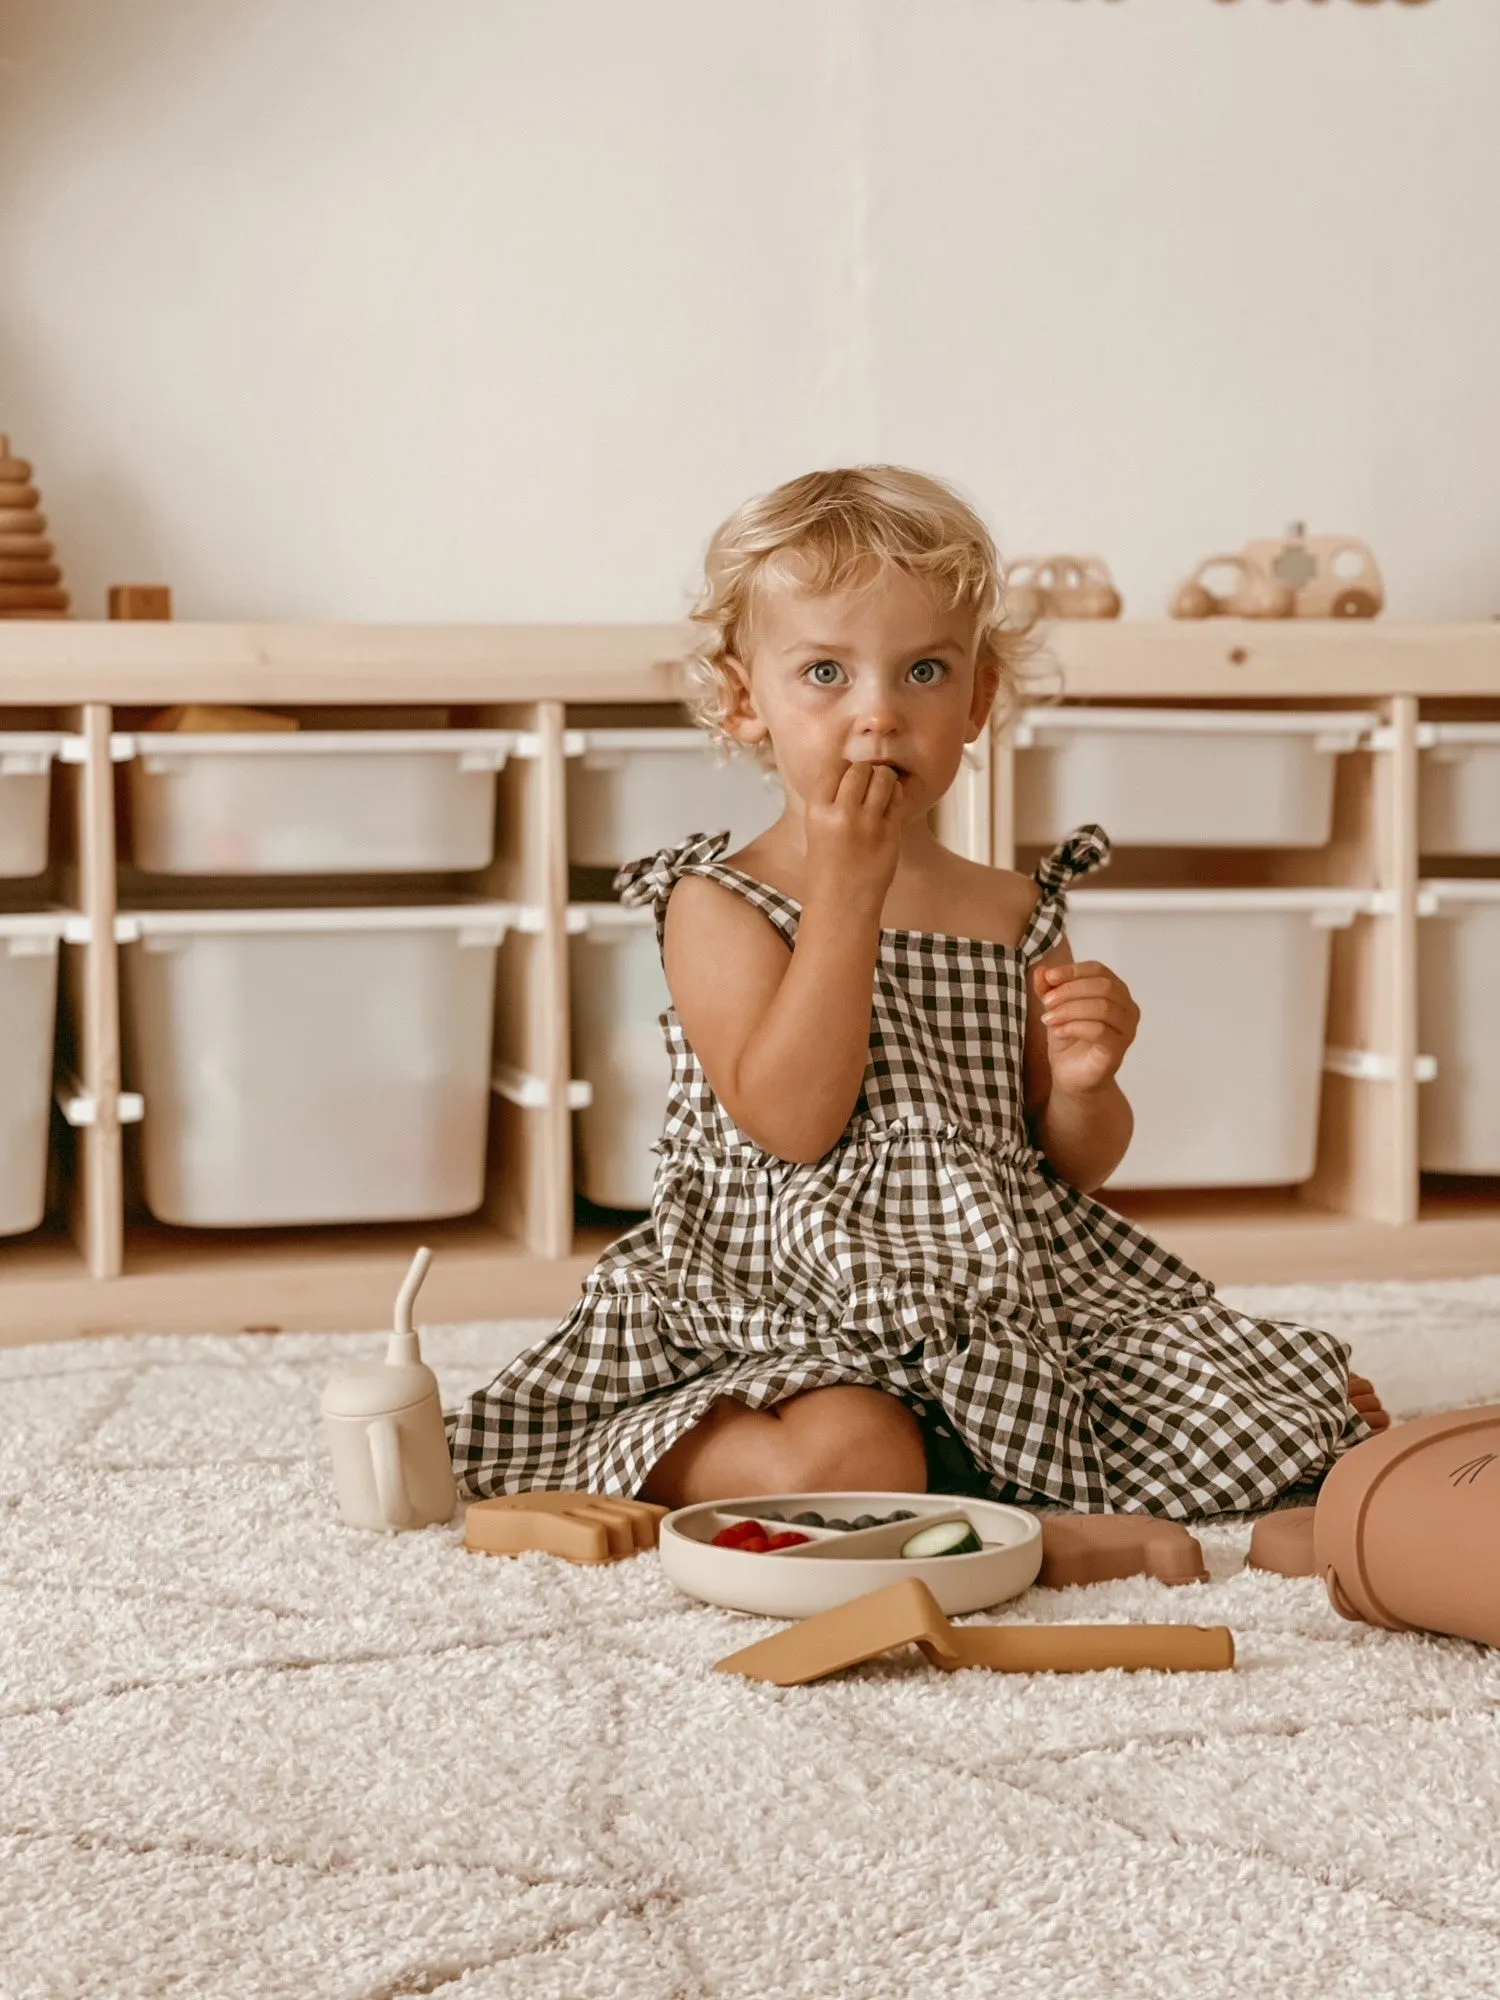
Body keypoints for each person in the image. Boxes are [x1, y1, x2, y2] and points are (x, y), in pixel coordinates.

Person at [447, 465, 1388, 1516]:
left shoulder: (1011, 907)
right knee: (847, 1459)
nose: (880, 715)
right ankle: (648, 1441)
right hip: (791, 1292)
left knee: (1257, 1414)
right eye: (826, 674)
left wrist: (1084, 1081)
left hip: (1000, 1289)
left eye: (925, 672)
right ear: (742, 697)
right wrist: (849, 891)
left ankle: (963, 1454)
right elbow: (794, 1123)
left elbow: (1068, 1161)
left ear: (980, 698)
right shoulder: (719, 902)